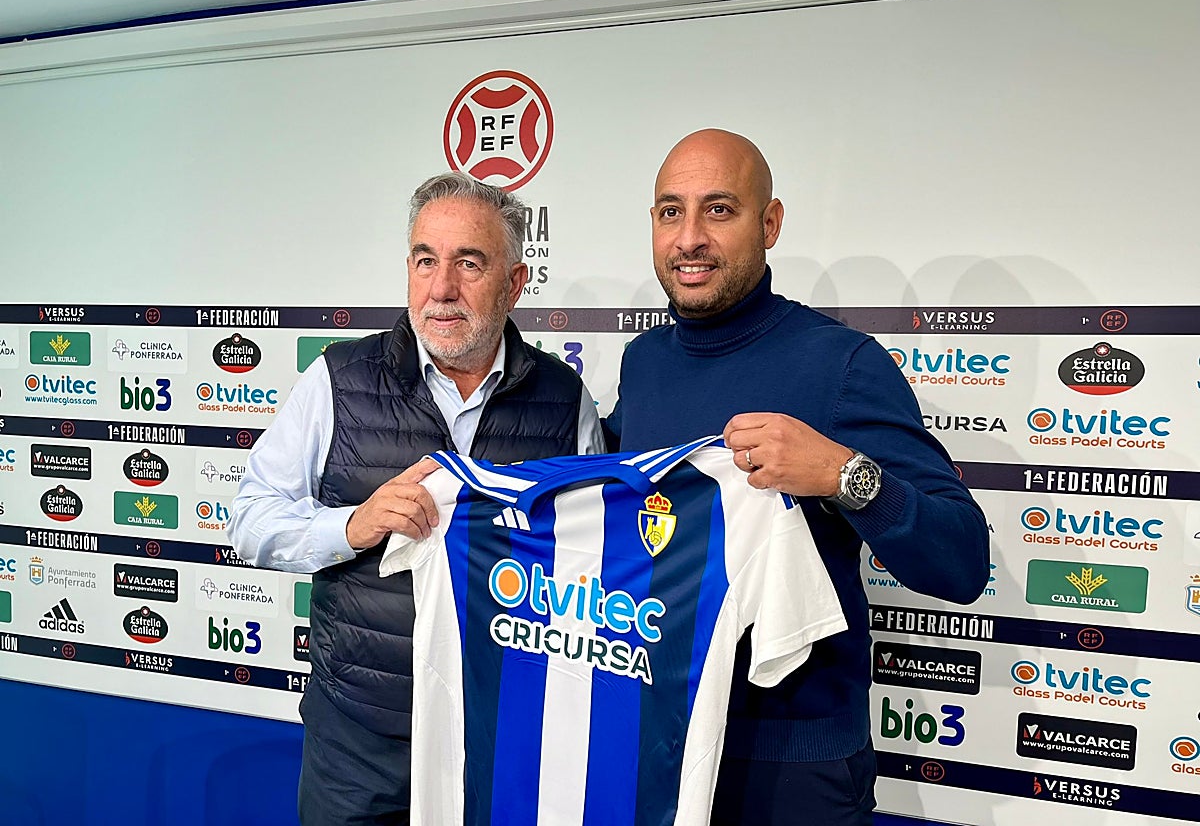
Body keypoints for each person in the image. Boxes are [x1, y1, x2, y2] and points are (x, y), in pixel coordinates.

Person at [604, 129, 990, 825]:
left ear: (770, 223)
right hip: (655, 735)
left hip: (791, 764)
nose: (689, 237)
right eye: (671, 212)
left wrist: (844, 474)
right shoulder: (644, 363)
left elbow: (962, 561)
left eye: (719, 210)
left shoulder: (842, 365)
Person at [228, 171, 605, 825]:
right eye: (426, 261)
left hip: (499, 739)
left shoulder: (564, 401)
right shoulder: (337, 380)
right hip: (361, 746)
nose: (442, 289)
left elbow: (592, 558)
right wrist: (353, 524)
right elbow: (249, 521)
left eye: (469, 263)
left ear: (514, 284)